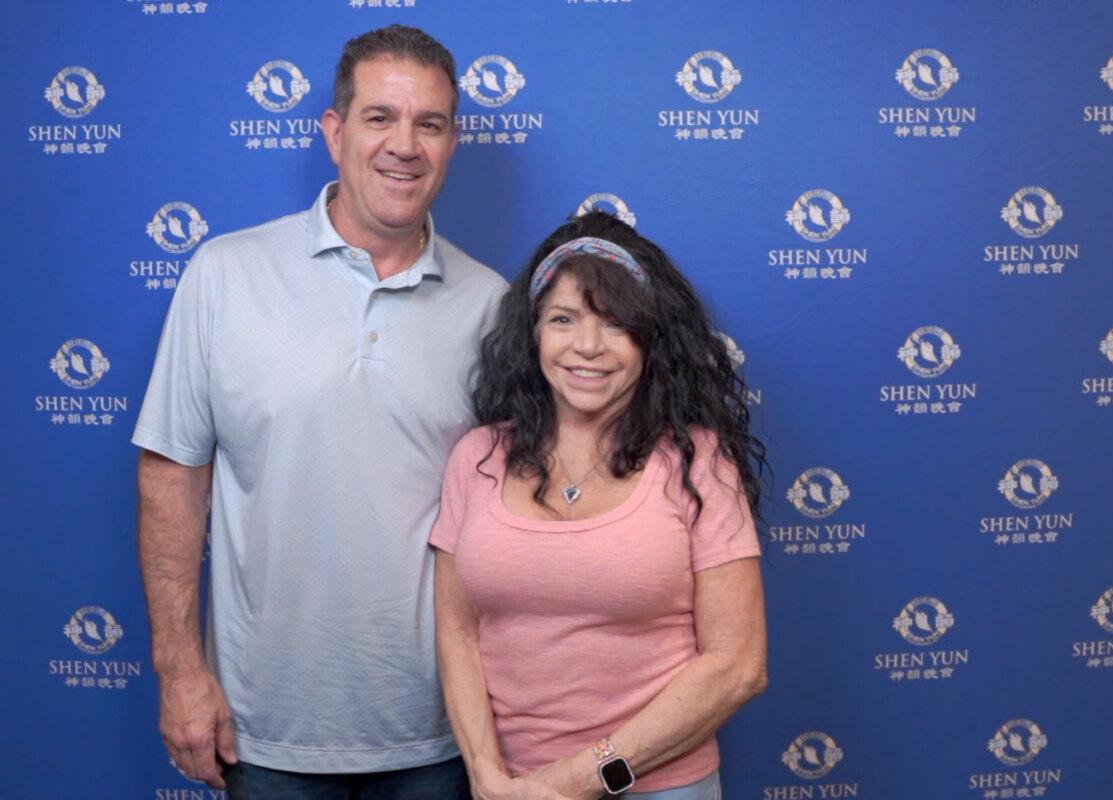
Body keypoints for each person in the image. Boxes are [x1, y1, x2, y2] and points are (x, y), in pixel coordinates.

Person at [133, 25, 506, 798]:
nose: (405, 145)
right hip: (264, 729)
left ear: (451, 143)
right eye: (379, 118)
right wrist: (179, 668)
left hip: (444, 732)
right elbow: (171, 478)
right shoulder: (224, 274)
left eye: (429, 124)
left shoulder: (492, 306)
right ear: (334, 132)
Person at [431, 211, 768, 799]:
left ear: (650, 341)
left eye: (616, 325)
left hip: (658, 787)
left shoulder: (699, 464)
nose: (587, 346)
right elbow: (457, 630)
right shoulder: (477, 457)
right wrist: (487, 777)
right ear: (534, 332)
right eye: (564, 319)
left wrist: (573, 782)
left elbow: (737, 666)